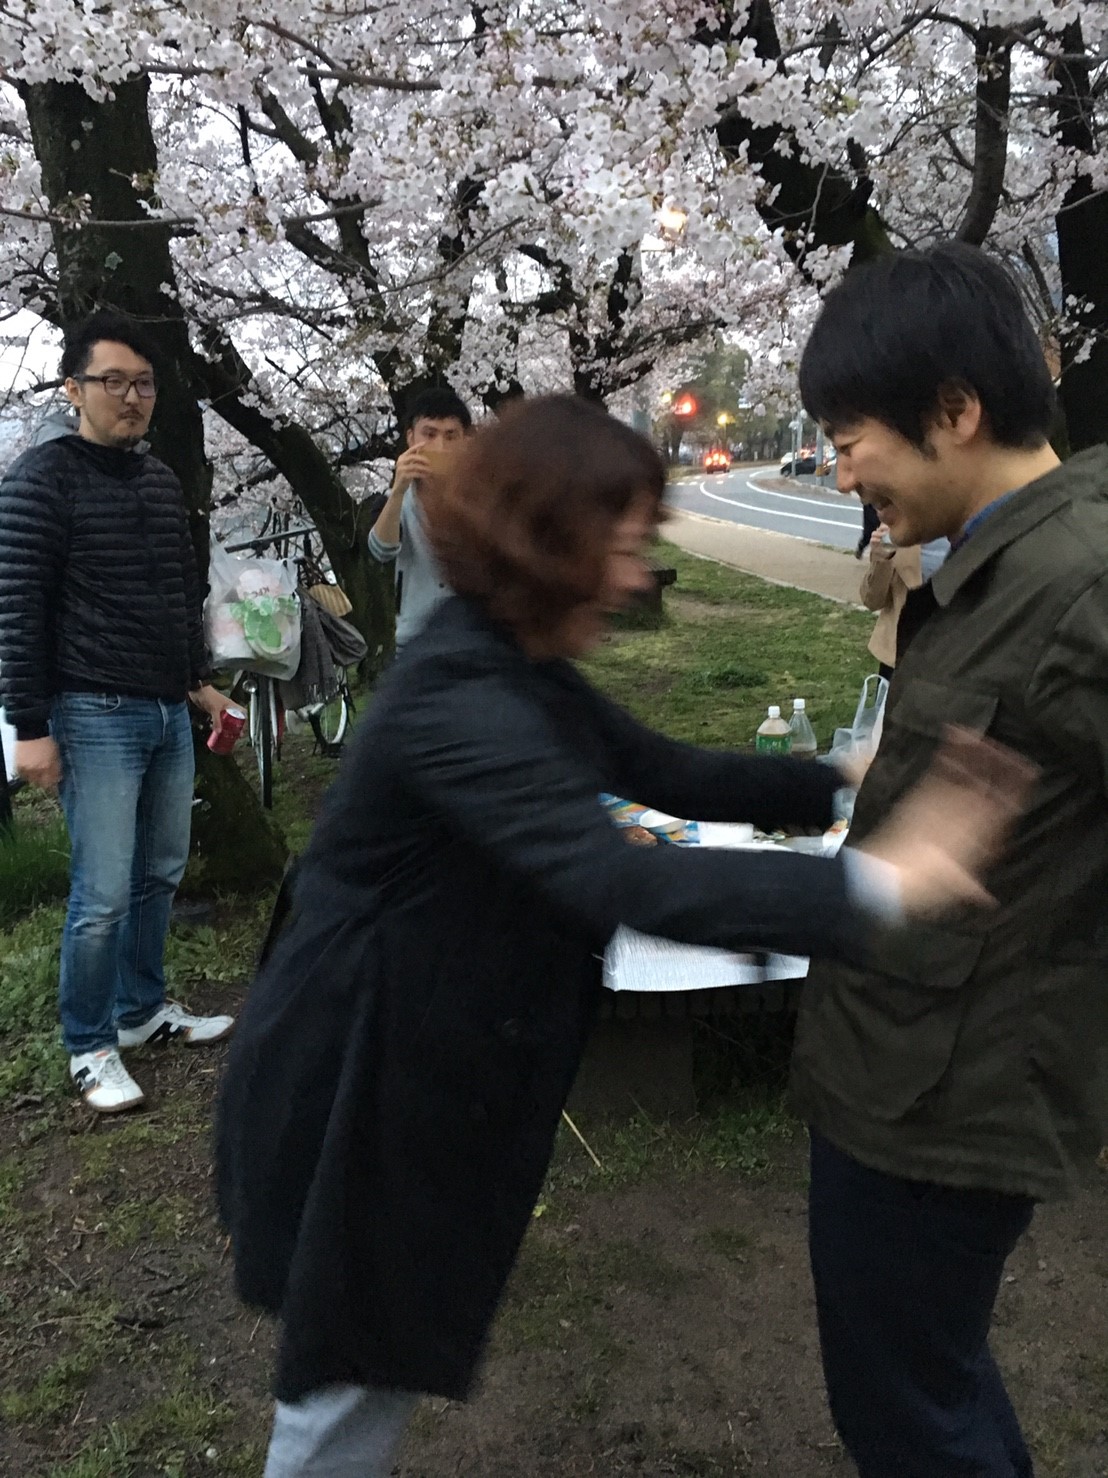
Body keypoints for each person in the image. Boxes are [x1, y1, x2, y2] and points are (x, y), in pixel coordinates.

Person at [216, 394, 1030, 1478]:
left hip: (415, 1057)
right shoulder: (456, 693)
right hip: (354, 1073)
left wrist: (839, 777)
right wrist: (881, 884)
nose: (632, 577)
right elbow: (616, 872)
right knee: (346, 1365)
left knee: (368, 1345)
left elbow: (663, 771)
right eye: (619, 545)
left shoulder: (511, 661)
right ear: (545, 543)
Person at [793, 240, 1108, 1478]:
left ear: (955, 410)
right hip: (899, 1063)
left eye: (849, 437)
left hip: (945, 1101)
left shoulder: (1076, 583)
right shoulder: (1004, 564)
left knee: (911, 1412)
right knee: (921, 1382)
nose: (840, 468)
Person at [0, 312, 236, 1115]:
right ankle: (89, 1043)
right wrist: (30, 727)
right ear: (74, 389)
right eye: (113, 382)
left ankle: (141, 1011)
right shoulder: (41, 480)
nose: (131, 398)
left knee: (159, 871)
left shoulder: (159, 480)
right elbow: (18, 611)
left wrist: (198, 683)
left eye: (143, 384)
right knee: (101, 892)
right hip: (90, 710)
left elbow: (176, 597)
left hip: (165, 710)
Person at [367, 387, 472, 655]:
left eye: (451, 436)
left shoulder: (485, 496)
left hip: (477, 635)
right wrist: (399, 490)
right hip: (417, 639)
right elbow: (381, 550)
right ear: (411, 437)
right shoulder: (396, 500)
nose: (440, 447)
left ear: (466, 440)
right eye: (429, 434)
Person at [860, 525, 950, 678]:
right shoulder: (898, 528)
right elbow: (872, 600)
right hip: (900, 655)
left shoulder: (975, 529)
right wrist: (881, 559)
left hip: (952, 654)